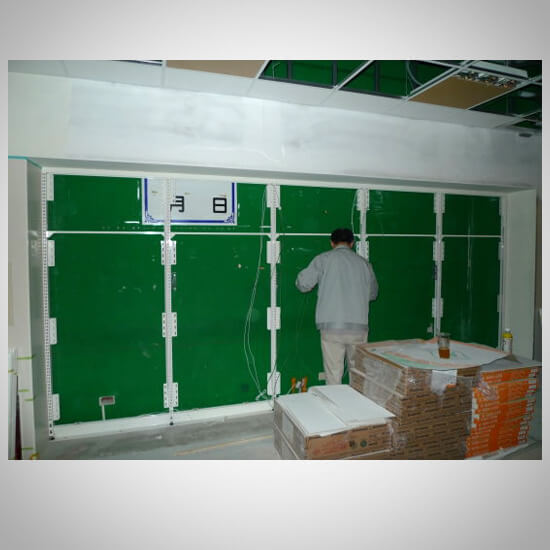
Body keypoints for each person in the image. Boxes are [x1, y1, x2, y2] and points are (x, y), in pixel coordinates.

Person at [295, 228, 378, 385]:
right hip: (358, 327)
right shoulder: (364, 264)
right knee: (358, 374)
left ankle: (334, 400)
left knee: (333, 374)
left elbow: (303, 284)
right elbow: (373, 294)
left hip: (331, 327)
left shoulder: (323, 259)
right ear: (352, 243)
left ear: (332, 243)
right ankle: (357, 400)